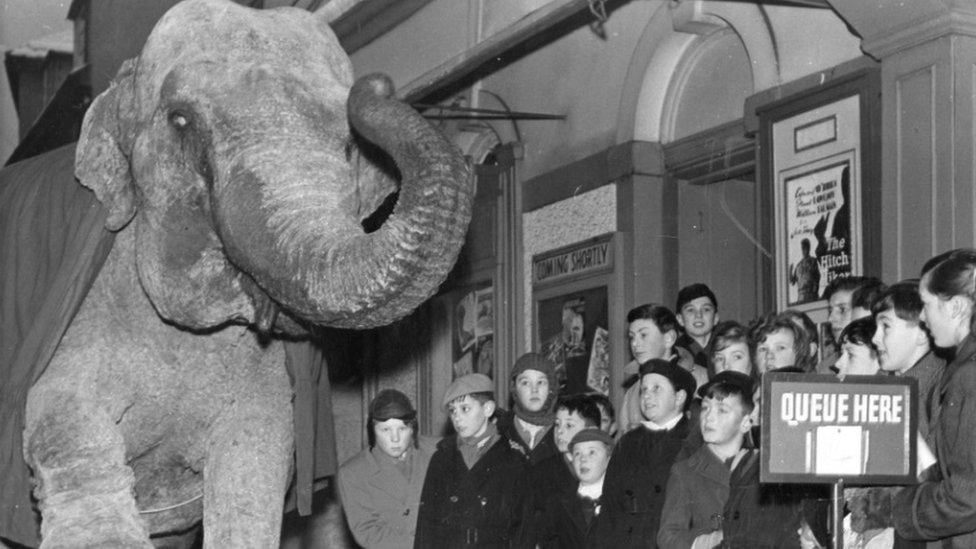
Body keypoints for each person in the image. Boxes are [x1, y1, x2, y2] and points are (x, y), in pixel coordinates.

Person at [893, 250, 976, 546]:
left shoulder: (969, 376)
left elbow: (966, 497)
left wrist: (895, 508)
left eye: (927, 305)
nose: (924, 318)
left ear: (956, 308)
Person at [414, 373, 529, 548]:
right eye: (452, 411)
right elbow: (426, 527)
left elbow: (522, 531)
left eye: (465, 408)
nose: (457, 417)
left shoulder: (513, 459)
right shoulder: (442, 458)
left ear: (488, 409)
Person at [602, 359, 698, 548]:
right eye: (644, 390)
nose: (647, 396)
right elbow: (610, 507)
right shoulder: (628, 442)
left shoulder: (695, 444)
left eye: (656, 389)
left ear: (679, 398)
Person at [657, 370, 755, 549]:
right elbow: (668, 536)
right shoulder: (685, 471)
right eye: (705, 407)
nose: (709, 417)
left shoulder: (758, 468)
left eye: (722, 410)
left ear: (746, 422)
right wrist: (710, 540)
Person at [337, 389, 437, 549]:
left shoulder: (437, 451)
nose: (395, 438)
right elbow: (368, 532)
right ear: (372, 431)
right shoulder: (353, 473)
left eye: (402, 429)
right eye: (385, 430)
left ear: (413, 428)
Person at [871, 280, 945, 446]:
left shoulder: (940, 388)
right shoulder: (881, 381)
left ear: (922, 334)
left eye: (886, 326)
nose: (874, 338)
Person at [523, 394, 603, 546]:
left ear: (591, 429)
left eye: (569, 425)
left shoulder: (609, 469)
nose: (560, 431)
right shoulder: (541, 473)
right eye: (557, 424)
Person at [620, 304, 706, 433]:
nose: (634, 343)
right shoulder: (632, 392)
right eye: (632, 337)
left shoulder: (701, 379)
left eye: (643, 335)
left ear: (669, 338)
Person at [538, 428, 615, 548]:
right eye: (577, 453)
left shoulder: (620, 501)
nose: (583, 459)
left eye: (592, 452)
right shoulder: (557, 503)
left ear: (609, 459)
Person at [496, 352, 559, 465]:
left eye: (541, 382)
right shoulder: (498, 431)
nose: (534, 390)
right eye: (525, 383)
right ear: (514, 388)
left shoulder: (564, 429)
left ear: (551, 388)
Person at [816, 276, 878, 374]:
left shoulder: (891, 363)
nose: (830, 319)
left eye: (842, 310)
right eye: (830, 311)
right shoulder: (825, 369)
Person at [674, 284, 720, 374]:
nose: (698, 315)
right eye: (690, 310)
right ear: (680, 319)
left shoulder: (727, 347)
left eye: (706, 309)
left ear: (715, 318)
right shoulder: (675, 354)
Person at [791, 238, 821, 303]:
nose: (804, 250)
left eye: (806, 248)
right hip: (801, 296)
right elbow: (793, 281)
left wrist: (814, 292)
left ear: (809, 248)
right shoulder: (798, 265)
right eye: (803, 248)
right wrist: (789, 271)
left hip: (811, 295)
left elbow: (817, 277)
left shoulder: (813, 261)